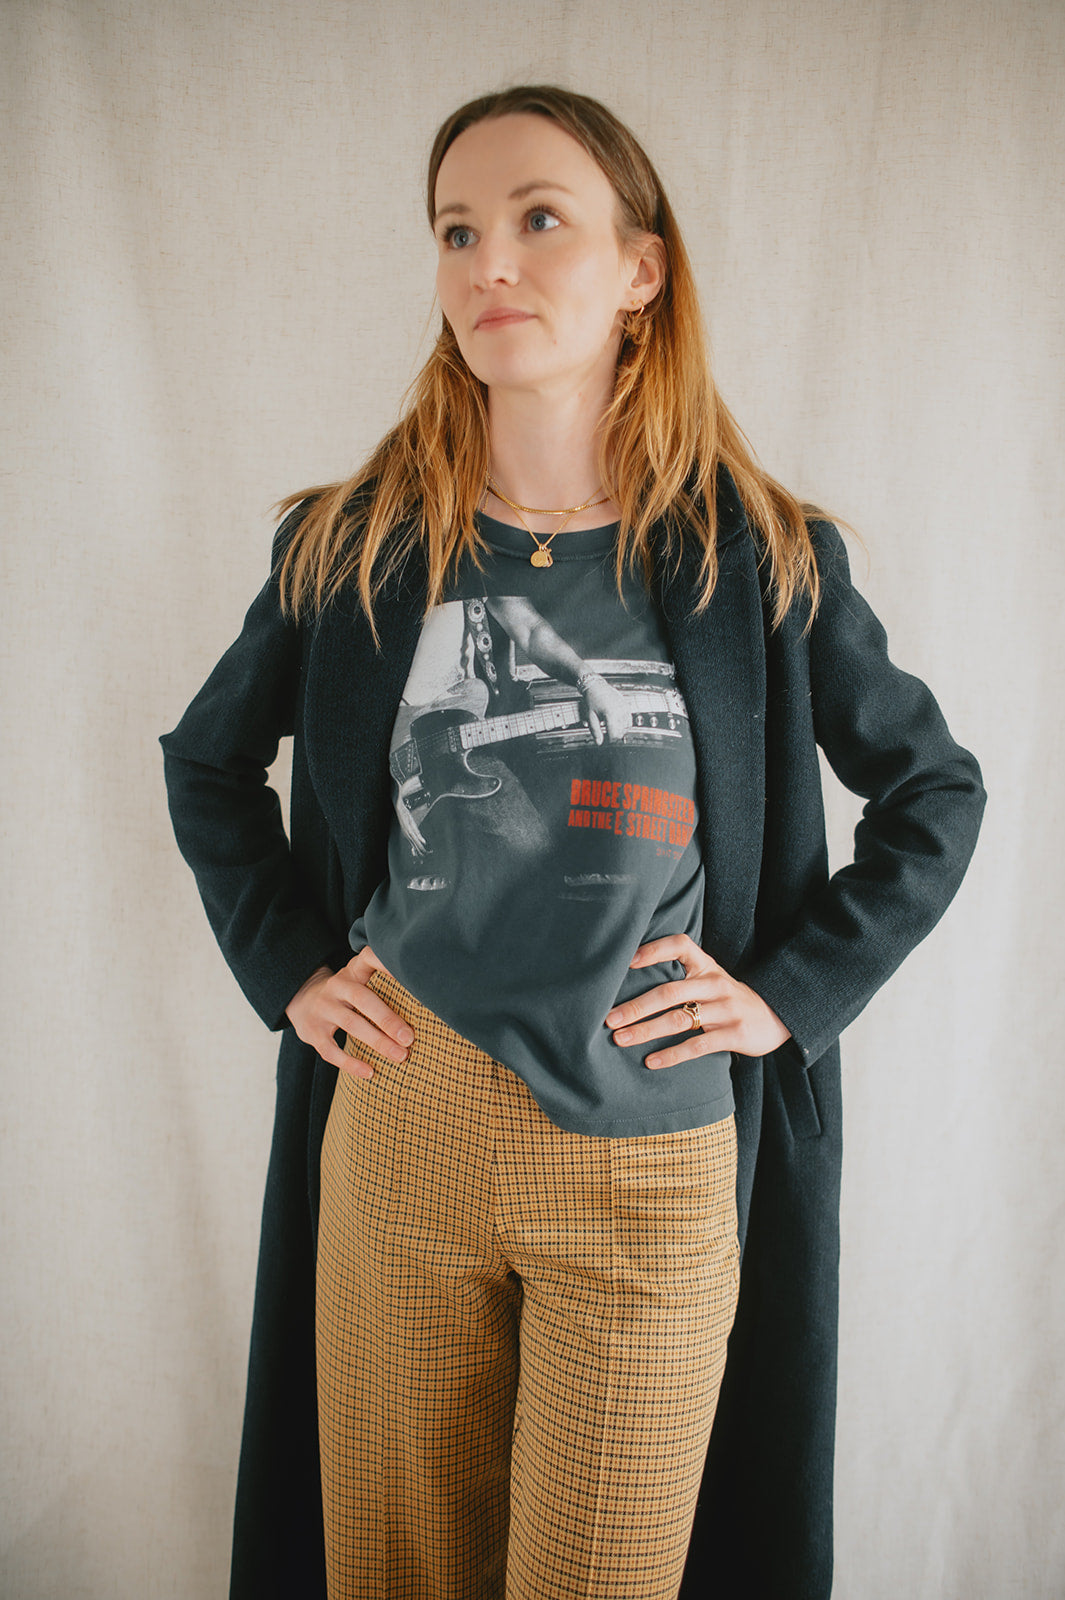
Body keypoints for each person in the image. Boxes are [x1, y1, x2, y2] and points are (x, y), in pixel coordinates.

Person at [161, 86, 985, 1600]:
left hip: (648, 1156)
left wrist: (785, 997)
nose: (490, 262)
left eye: (540, 219)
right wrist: (288, 966)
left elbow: (934, 793)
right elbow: (208, 762)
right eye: (456, 230)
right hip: (401, 1126)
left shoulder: (761, 561)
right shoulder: (354, 548)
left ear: (640, 271)